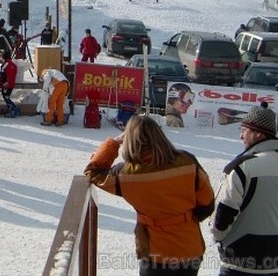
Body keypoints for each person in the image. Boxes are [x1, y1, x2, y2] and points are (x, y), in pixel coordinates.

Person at [84, 115, 215, 276]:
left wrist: (114, 142)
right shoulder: (187, 161)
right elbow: (207, 203)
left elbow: (93, 171)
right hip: (189, 247)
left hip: (155, 251)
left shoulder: (125, 174)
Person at [211, 106, 278, 276]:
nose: (241, 135)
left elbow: (223, 216)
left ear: (258, 134)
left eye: (244, 130)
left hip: (241, 259)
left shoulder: (242, 168)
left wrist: (220, 238)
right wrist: (276, 229)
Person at [0, 50, 19, 117]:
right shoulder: (13, 65)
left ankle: (13, 110)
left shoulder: (5, 65)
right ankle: (13, 109)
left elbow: (2, 76)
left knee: (6, 97)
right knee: (7, 97)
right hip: (10, 84)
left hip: (6, 85)